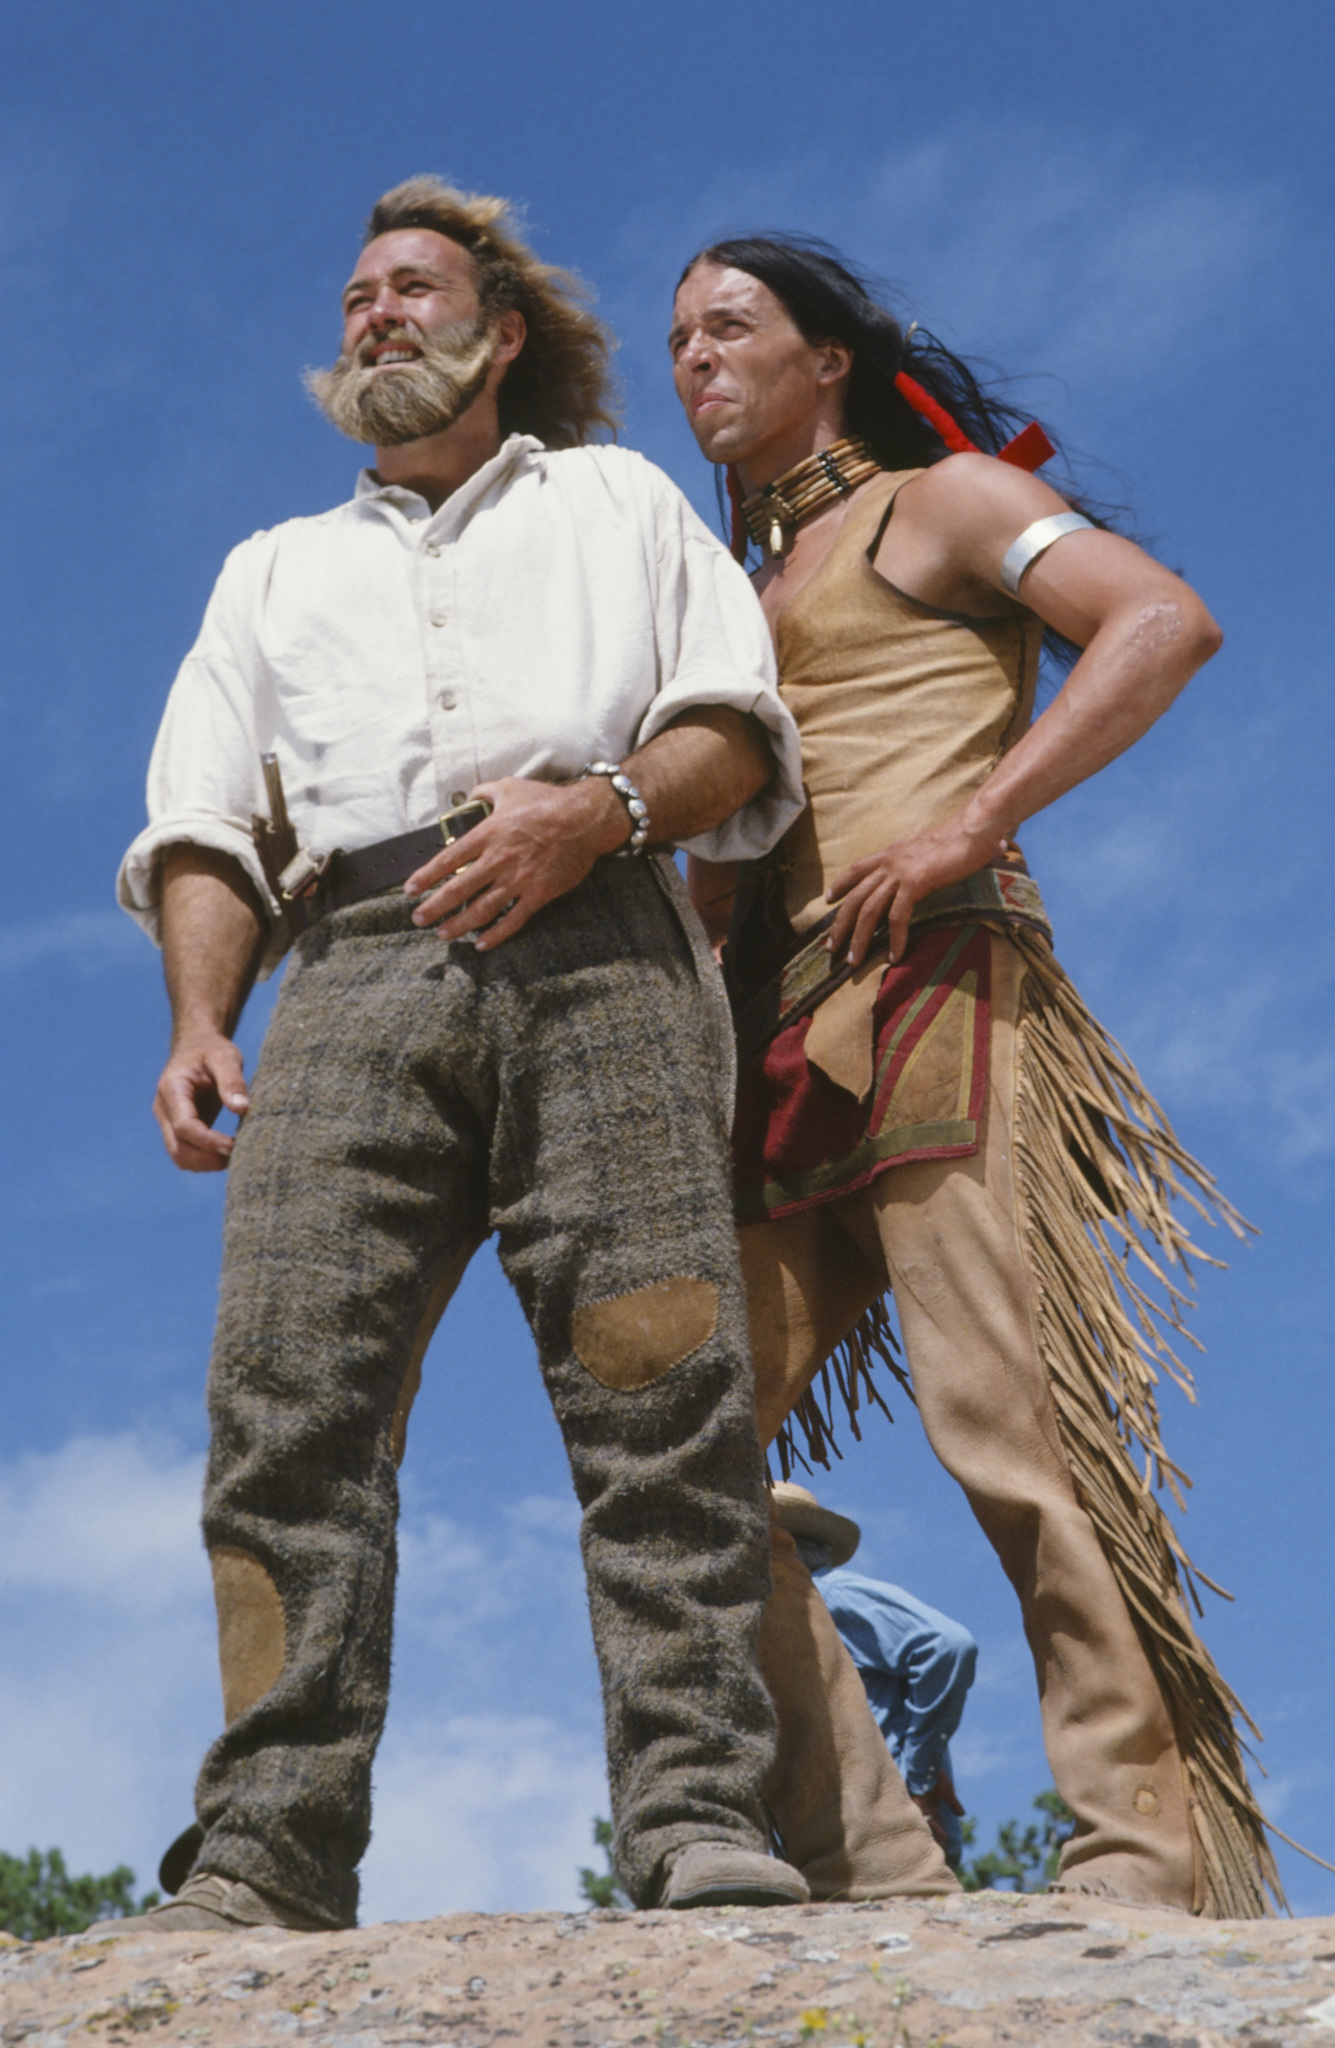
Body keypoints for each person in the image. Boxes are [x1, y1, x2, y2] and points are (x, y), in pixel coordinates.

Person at [116, 177, 813, 1932]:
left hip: (602, 944)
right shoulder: (270, 568)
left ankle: (700, 1812)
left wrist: (600, 812)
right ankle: (268, 1846)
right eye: (356, 295)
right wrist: (203, 1016)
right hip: (345, 970)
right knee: (284, 1405)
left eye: (414, 290)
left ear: (500, 337)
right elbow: (210, 818)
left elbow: (731, 723)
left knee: (660, 1386)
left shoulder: (618, 497)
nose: (374, 315)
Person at [669, 234, 1279, 1916]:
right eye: (677, 341)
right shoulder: (730, 600)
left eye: (731, 327)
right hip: (771, 1045)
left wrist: (969, 821)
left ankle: (1141, 1845)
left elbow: (1160, 621)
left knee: (1009, 1421)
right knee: (680, 1449)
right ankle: (873, 1859)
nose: (695, 360)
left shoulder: (929, 506)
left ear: (829, 362)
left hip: (945, 985)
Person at [772, 1483, 975, 1869]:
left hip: (894, 1837)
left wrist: (920, 1780)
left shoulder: (829, 1597)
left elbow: (948, 1645)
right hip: (856, 1843)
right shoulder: (787, 1617)